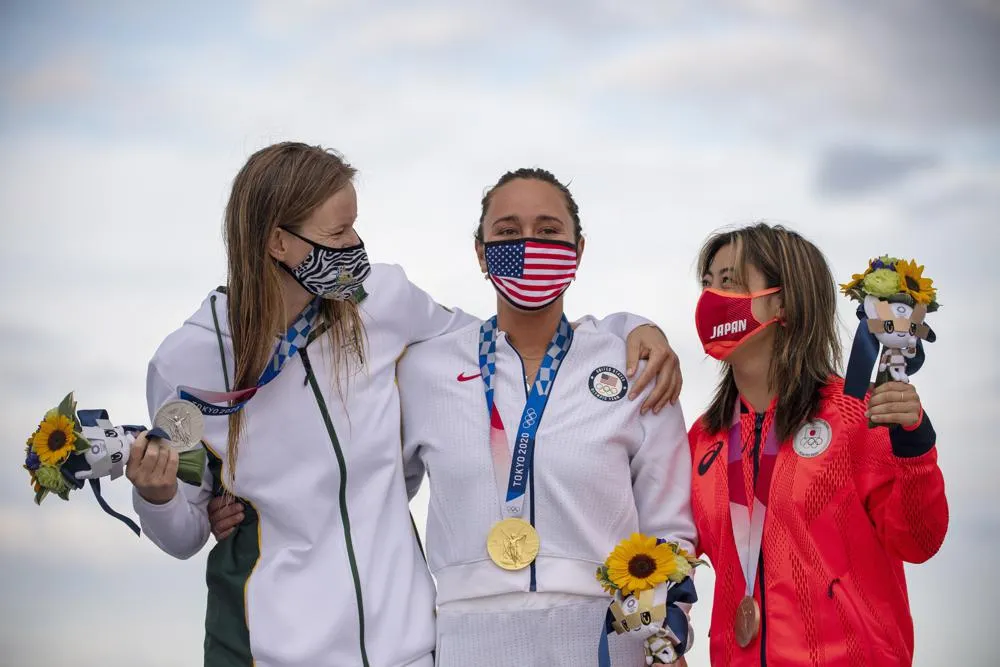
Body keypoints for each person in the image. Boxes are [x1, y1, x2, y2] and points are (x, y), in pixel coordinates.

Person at [126, 142, 681, 667]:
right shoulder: (190, 365)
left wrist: (628, 328)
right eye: (340, 231)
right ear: (278, 242)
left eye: (355, 224)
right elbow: (185, 531)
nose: (355, 246)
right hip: (266, 647)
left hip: (407, 646)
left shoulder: (381, 302)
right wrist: (156, 495)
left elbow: (502, 339)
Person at [395, 168, 697, 666]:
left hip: (607, 636)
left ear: (578, 250)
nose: (530, 245)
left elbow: (669, 525)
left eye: (549, 231)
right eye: (509, 232)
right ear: (480, 251)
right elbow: (375, 502)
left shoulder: (633, 363)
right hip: (467, 639)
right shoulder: (427, 370)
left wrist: (663, 644)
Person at [688, 222, 948, 666]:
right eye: (707, 283)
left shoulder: (854, 414)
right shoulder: (702, 438)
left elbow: (918, 540)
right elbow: (665, 557)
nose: (710, 298)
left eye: (729, 282)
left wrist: (914, 444)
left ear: (784, 302)